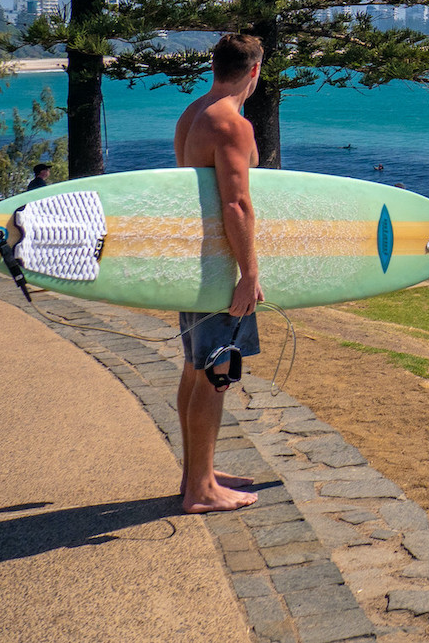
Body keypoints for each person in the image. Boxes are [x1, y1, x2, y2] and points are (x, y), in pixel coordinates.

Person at [171, 33, 266, 513]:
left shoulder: (193, 114)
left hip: (196, 261)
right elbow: (235, 202)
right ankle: (200, 491)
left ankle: (198, 471)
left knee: (195, 367)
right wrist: (249, 272)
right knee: (216, 371)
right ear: (253, 71)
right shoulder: (232, 123)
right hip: (219, 268)